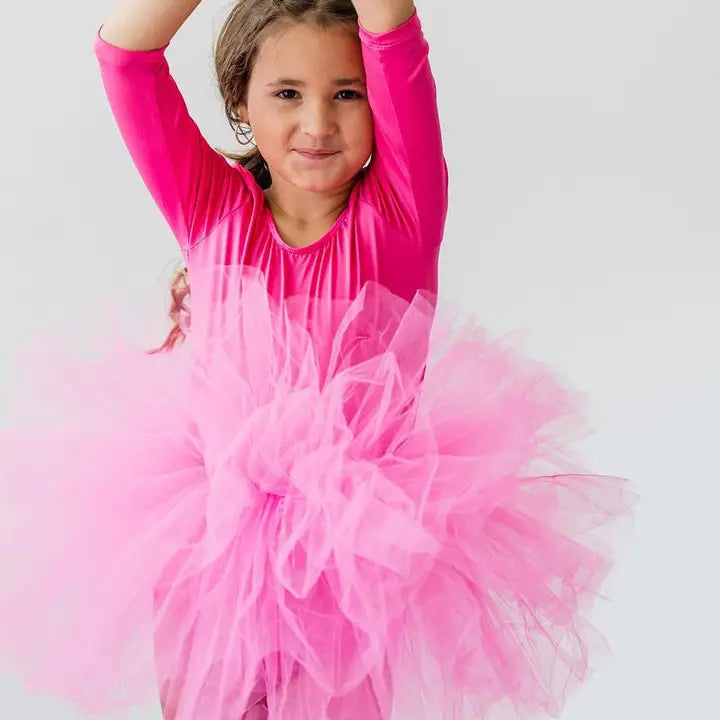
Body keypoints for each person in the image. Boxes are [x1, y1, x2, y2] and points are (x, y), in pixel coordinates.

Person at [0, 1, 638, 719]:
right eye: (286, 94)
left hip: (351, 564)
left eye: (347, 93)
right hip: (213, 551)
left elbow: (393, 35)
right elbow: (125, 57)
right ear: (241, 104)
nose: (317, 124)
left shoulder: (402, 216)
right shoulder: (211, 209)